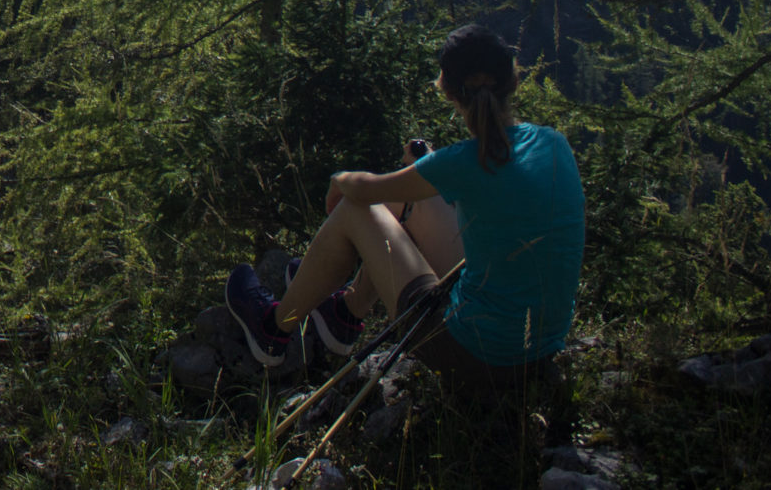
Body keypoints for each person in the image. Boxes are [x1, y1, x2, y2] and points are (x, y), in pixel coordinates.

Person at [224, 23, 585, 395]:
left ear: (447, 90)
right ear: (513, 80)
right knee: (410, 199)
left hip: (473, 356)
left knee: (354, 209)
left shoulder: (460, 162)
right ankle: (344, 314)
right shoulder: (553, 143)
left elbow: (365, 191)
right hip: (538, 351)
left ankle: (273, 329)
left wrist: (340, 179)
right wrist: (429, 170)